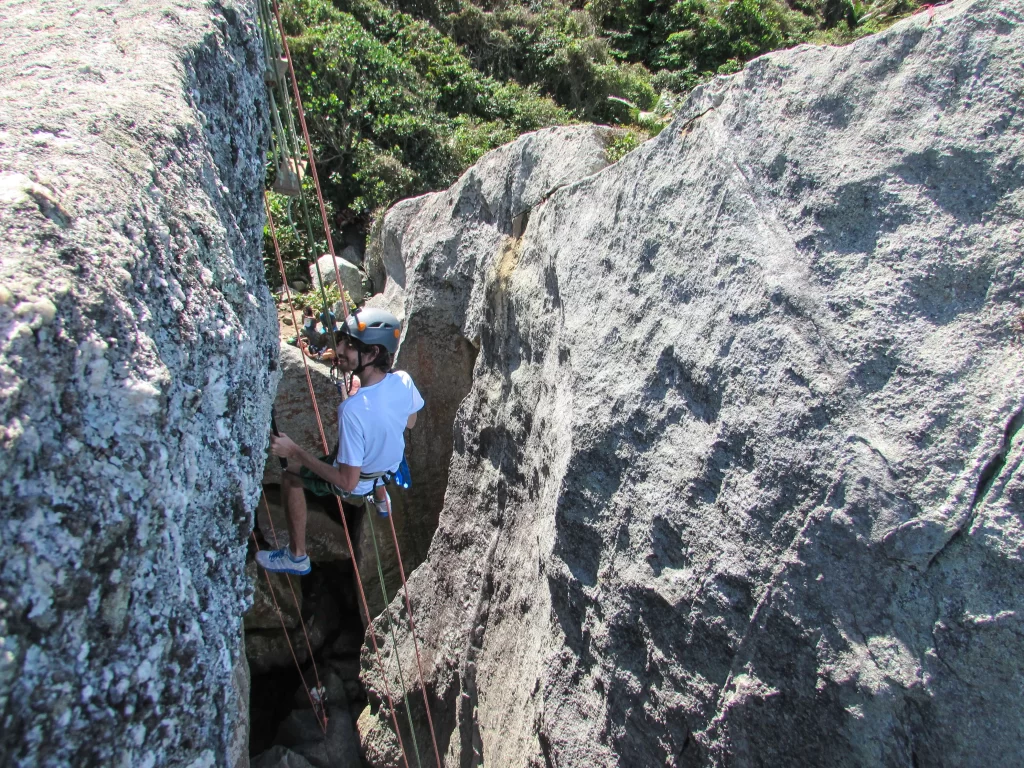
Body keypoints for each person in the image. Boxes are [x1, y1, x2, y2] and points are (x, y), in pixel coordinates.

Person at [258, 308, 423, 575]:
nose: (340, 348)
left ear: (372, 354)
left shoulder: (353, 410)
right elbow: (411, 421)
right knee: (378, 444)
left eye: (349, 344)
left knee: (291, 477)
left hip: (359, 481)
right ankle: (382, 499)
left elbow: (347, 482)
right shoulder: (403, 381)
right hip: (390, 469)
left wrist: (294, 451)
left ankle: (297, 557)